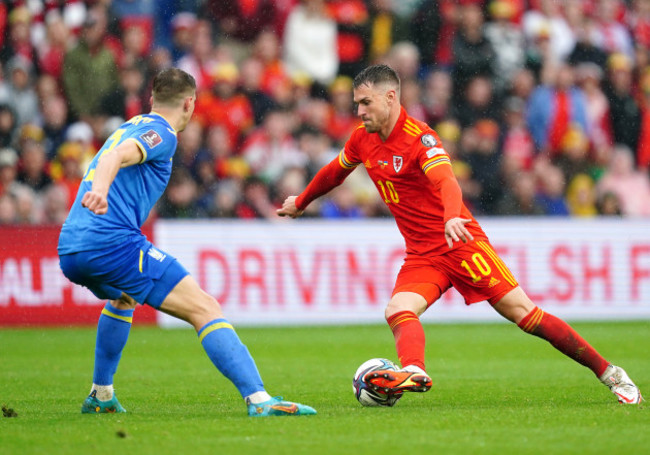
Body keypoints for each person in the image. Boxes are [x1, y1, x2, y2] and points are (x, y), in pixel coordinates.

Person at [277, 64, 643, 405]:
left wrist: (453, 217)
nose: (359, 111)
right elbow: (334, 172)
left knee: (525, 315)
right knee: (398, 309)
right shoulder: (362, 140)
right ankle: (414, 371)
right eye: (357, 104)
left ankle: (610, 373)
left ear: (391, 98)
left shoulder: (420, 138)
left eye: (365, 102)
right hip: (422, 254)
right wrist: (303, 201)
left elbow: (446, 181)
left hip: (460, 244)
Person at [57, 68, 316, 417]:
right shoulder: (162, 133)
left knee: (125, 297)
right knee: (205, 308)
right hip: (111, 243)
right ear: (190, 103)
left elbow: (109, 152)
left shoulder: (129, 124)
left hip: (71, 247)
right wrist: (101, 192)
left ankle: (101, 394)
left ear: (152, 97)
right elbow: (113, 157)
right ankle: (259, 400)